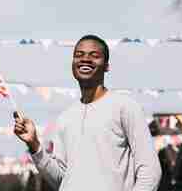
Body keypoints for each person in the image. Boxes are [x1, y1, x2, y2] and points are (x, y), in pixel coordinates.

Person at [13, 34, 162, 191]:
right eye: (79, 55)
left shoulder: (125, 106)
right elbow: (61, 179)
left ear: (106, 66)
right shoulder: (65, 117)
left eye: (94, 55)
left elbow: (150, 171)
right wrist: (34, 144)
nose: (85, 59)